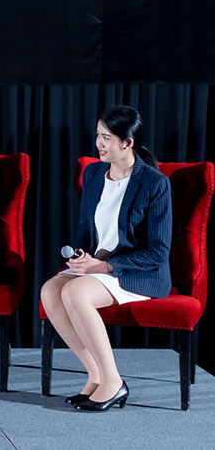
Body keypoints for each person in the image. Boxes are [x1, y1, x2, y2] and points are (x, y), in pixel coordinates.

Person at [40, 106, 171, 411]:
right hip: (100, 267)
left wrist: (105, 265)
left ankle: (113, 382)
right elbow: (85, 227)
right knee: (50, 291)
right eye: (98, 135)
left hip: (139, 272)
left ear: (128, 143)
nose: (98, 143)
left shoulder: (154, 183)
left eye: (107, 138)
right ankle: (96, 375)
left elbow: (158, 252)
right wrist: (80, 255)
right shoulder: (94, 173)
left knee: (75, 292)